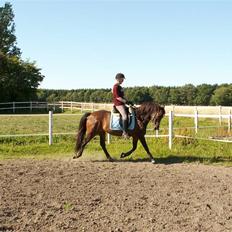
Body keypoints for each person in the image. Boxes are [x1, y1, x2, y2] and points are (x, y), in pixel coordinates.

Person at [112, 73, 130, 139]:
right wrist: (126, 101)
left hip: (122, 103)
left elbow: (122, 96)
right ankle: (124, 133)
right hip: (118, 104)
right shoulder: (115, 87)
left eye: (123, 79)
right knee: (125, 116)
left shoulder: (120, 87)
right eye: (122, 79)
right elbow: (118, 97)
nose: (123, 80)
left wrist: (128, 101)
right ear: (118, 79)